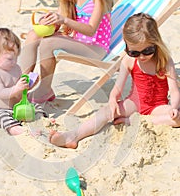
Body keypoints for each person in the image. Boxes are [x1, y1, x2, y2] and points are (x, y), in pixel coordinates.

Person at [49, 13, 180, 148]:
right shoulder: (128, 60)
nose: (141, 57)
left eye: (148, 51)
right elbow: (118, 88)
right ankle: (73, 135)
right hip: (134, 102)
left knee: (177, 118)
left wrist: (174, 108)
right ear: (127, 48)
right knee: (105, 112)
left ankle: (131, 121)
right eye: (134, 52)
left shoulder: (164, 60)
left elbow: (174, 90)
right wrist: (112, 100)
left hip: (158, 106)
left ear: (156, 43)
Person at [19, 0, 113, 103]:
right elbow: (60, 18)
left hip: (95, 48)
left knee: (49, 44)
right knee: (33, 35)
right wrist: (50, 21)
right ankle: (21, 83)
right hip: (77, 40)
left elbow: (91, 29)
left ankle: (44, 90)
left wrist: (64, 20)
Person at [0, 28, 46, 136]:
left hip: (18, 106)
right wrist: (17, 88)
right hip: (1, 108)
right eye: (9, 59)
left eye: (16, 57)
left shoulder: (16, 68)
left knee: (37, 107)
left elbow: (21, 89)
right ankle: (21, 131)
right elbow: (2, 93)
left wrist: (29, 85)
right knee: (2, 118)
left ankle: (42, 121)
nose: (14, 62)